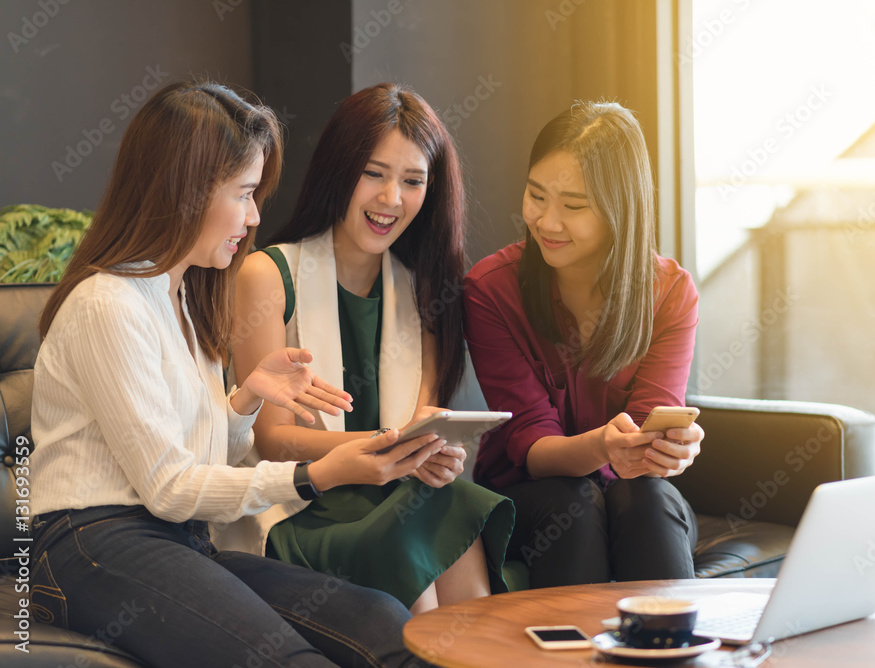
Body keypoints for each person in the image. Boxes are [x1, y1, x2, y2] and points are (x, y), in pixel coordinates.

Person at [29, 80, 436, 667]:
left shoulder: (188, 303)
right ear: (185, 191)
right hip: (91, 547)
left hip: (182, 539)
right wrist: (313, 476)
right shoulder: (107, 305)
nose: (252, 218)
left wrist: (243, 402)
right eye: (244, 193)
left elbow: (200, 468)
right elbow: (169, 487)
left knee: (383, 622)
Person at [230, 82, 514, 613]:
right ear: (340, 169)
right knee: (414, 535)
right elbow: (270, 439)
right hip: (299, 505)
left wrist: (432, 454)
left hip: (396, 496)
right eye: (374, 174)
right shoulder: (268, 275)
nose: (391, 200)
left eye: (412, 181)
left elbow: (423, 420)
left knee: (447, 503)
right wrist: (388, 448)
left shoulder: (423, 288)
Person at [463, 101, 705, 588]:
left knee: (648, 498)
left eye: (574, 206)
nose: (547, 222)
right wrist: (603, 448)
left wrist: (668, 449)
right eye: (536, 196)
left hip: (635, 499)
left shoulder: (669, 293)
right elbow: (531, 446)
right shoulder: (492, 289)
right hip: (531, 497)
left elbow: (649, 427)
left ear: (620, 209)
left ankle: (669, 653)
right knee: (573, 502)